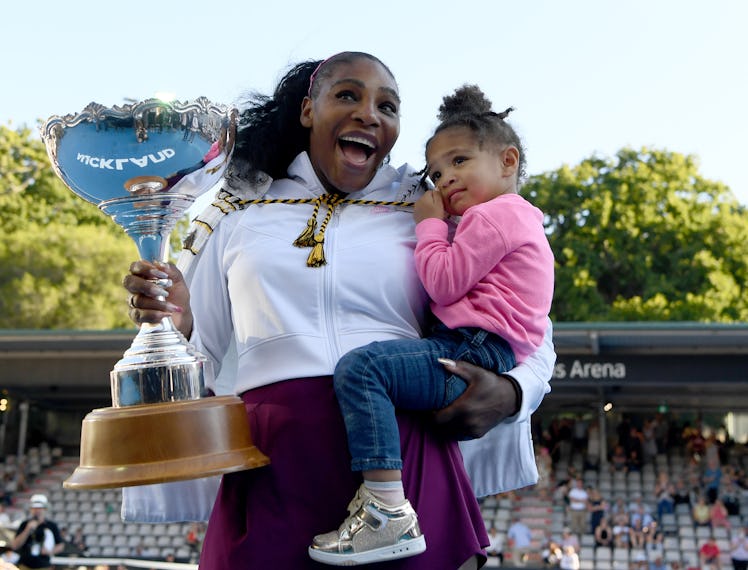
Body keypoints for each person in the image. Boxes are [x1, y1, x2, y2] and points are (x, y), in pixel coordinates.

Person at [123, 51, 555, 569]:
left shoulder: (432, 207)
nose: (369, 114)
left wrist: (512, 391)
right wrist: (174, 323)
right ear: (308, 110)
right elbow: (201, 347)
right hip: (271, 460)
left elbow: (526, 314)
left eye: (388, 106)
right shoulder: (237, 209)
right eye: (347, 95)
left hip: (405, 459)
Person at [311, 84, 554, 564]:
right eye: (437, 172)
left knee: (363, 371)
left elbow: (443, 283)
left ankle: (385, 511)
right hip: (484, 346)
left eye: (460, 162)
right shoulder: (516, 217)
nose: (444, 181)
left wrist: (429, 224)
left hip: (473, 347)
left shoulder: (493, 217)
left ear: (508, 162)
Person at [11, 494, 64, 570]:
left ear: (45, 509)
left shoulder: (51, 526)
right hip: (25, 565)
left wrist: (49, 551)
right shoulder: (25, 524)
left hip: (43, 565)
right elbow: (15, 545)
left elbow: (60, 545)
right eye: (34, 508)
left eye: (39, 508)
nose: (37, 511)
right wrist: (27, 529)